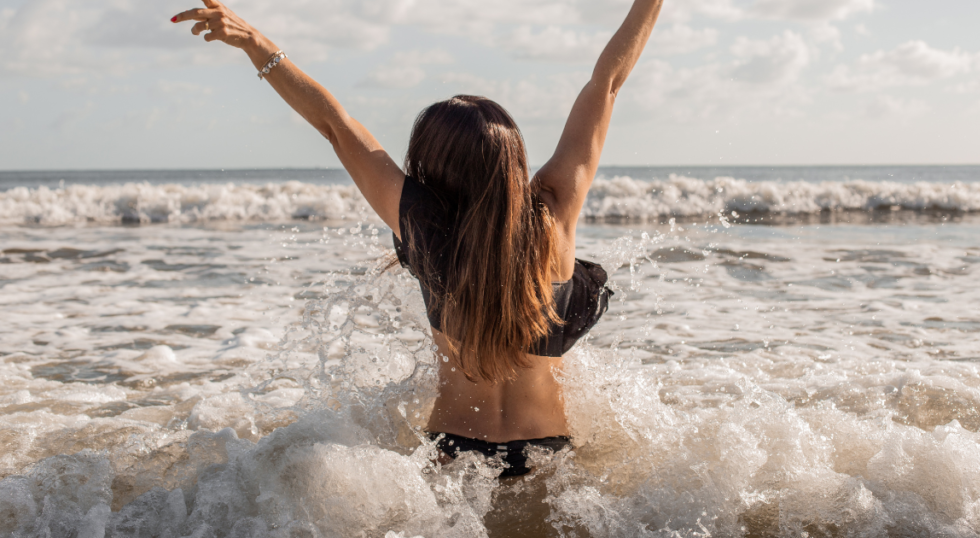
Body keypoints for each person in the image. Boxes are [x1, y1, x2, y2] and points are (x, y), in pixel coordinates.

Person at [172, 0, 662, 478]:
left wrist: (256, 44)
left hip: (452, 454)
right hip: (546, 455)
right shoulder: (553, 214)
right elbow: (608, 84)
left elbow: (336, 127)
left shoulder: (421, 224)